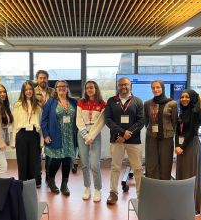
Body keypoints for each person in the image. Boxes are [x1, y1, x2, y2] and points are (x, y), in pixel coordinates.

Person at [105, 77, 144, 205]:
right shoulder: (111, 101)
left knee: (137, 168)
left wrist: (127, 135)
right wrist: (122, 133)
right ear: (117, 86)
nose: (123, 87)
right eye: (121, 85)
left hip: (134, 141)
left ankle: (140, 195)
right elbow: (108, 120)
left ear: (130, 85)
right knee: (115, 167)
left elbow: (141, 122)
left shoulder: (137, 101)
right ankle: (113, 193)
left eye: (126, 84)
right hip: (117, 139)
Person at [41, 80, 77, 196]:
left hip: (70, 137)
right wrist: (46, 135)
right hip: (56, 135)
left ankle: (64, 184)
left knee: (67, 160)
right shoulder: (50, 102)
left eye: (64, 86)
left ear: (67, 88)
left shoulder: (73, 102)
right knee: (56, 160)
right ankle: (51, 181)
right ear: (56, 89)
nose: (62, 88)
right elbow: (44, 120)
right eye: (59, 86)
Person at [76, 81, 106, 202]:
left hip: (95, 134)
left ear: (96, 88)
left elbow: (101, 122)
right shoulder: (80, 102)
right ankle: (87, 187)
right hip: (82, 134)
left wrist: (91, 136)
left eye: (91, 87)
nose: (89, 89)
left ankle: (98, 189)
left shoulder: (102, 103)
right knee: (84, 164)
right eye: (87, 88)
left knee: (95, 164)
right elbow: (78, 120)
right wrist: (85, 135)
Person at [175, 89, 201, 213]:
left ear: (192, 98)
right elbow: (177, 130)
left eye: (187, 97)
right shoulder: (182, 112)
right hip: (181, 147)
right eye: (182, 97)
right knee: (181, 174)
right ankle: (182, 203)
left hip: (191, 145)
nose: (184, 99)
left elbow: (192, 132)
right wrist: (176, 145)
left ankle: (192, 206)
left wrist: (182, 146)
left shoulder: (196, 112)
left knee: (191, 175)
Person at [144, 80, 177, 180]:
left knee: (165, 163)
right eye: (153, 88)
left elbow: (174, 122)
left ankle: (164, 187)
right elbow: (146, 121)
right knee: (151, 163)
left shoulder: (172, 103)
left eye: (158, 87)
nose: (155, 89)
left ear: (162, 88)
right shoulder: (147, 104)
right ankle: (153, 187)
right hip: (151, 138)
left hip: (166, 138)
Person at [10, 81, 42, 181]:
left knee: (34, 163)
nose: (28, 91)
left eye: (30, 89)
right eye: (26, 89)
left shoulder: (38, 105)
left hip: (34, 134)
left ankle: (31, 187)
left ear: (33, 90)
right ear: (23, 91)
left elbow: (40, 124)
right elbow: (14, 124)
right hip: (21, 135)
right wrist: (13, 140)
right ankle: (22, 185)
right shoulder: (17, 105)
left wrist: (41, 140)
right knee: (22, 162)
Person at [34, 70, 55, 187]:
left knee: (50, 153)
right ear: (37, 79)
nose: (42, 80)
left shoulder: (53, 92)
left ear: (47, 79)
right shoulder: (32, 91)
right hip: (36, 124)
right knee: (37, 153)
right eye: (40, 78)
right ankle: (38, 177)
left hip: (49, 125)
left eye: (44, 78)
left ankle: (49, 176)